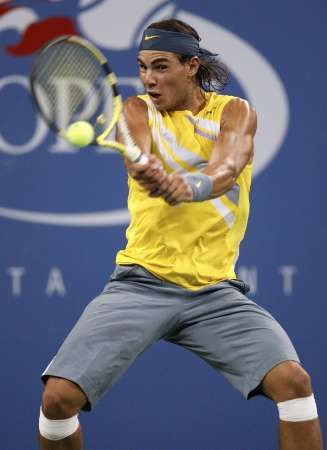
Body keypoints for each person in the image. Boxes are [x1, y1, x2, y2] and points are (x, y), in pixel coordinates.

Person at [38, 19, 323, 450]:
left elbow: (229, 166)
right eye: (142, 67)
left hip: (214, 291)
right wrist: (149, 172)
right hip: (141, 283)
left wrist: (191, 186)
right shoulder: (135, 110)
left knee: (293, 382)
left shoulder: (234, 110)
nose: (149, 78)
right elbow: (139, 158)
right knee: (58, 399)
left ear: (191, 65)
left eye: (161, 66)